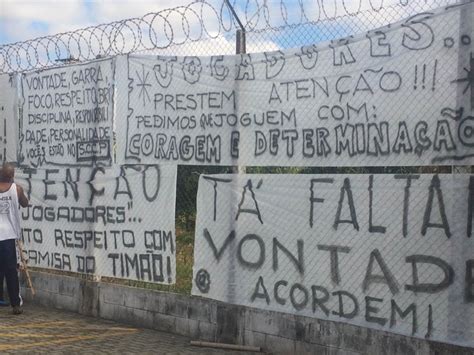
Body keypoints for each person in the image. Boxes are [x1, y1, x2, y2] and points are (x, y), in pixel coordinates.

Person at [0, 163, 28, 315]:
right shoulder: (16, 189)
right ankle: (15, 304)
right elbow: (25, 203)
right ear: (12, 176)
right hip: (8, 235)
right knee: (11, 270)